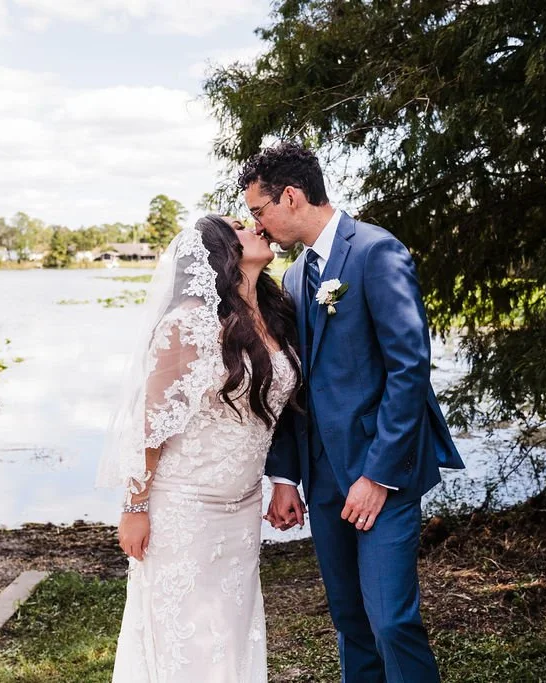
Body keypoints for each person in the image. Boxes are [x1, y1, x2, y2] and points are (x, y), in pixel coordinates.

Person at [244, 142, 465, 683]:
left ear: (290, 197)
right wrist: (285, 477)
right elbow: (293, 385)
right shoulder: (295, 278)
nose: (258, 225)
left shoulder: (375, 251)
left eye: (258, 210)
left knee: (391, 621)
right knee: (350, 621)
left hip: (381, 472)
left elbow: (409, 368)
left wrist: (379, 475)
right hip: (322, 479)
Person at [96, 214, 302, 682]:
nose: (256, 228)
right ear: (221, 253)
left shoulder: (273, 316)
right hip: (184, 509)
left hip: (242, 508)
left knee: (230, 631)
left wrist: (282, 481)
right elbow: (151, 426)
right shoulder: (188, 324)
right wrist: (134, 507)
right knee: (186, 638)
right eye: (240, 228)